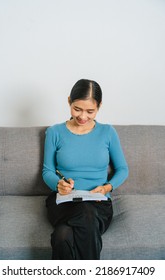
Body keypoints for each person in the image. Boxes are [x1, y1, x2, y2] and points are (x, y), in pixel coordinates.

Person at [42, 79, 129, 260]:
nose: (83, 116)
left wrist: (107, 188)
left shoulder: (107, 132)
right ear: (69, 102)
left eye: (90, 111)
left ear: (99, 106)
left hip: (98, 203)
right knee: (84, 213)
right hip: (64, 201)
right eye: (77, 109)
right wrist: (58, 184)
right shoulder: (54, 132)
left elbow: (122, 169)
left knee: (62, 236)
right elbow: (47, 171)